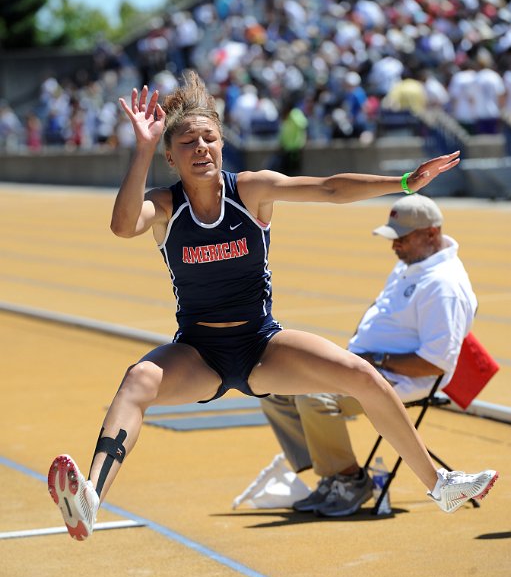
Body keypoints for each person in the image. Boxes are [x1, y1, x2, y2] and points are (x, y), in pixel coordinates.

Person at [47, 72, 498, 541]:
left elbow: (327, 188)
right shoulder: (165, 206)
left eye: (210, 138)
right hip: (199, 353)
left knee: (362, 375)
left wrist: (404, 181)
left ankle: (440, 484)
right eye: (187, 142)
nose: (201, 147)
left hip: (262, 344)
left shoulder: (251, 190)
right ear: (169, 154)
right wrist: (140, 148)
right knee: (138, 380)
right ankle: (91, 500)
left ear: (222, 145)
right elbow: (122, 226)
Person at [241, 193, 481, 517]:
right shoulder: (411, 264)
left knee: (313, 397)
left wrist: (375, 361)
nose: (394, 246)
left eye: (401, 239)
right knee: (271, 385)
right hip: (368, 365)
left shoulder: (444, 285)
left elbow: (435, 364)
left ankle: (349, 480)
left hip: (402, 379)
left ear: (431, 234)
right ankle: (331, 475)